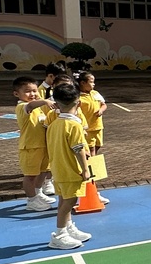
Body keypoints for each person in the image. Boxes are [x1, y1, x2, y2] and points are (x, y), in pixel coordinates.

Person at [46, 82, 93, 250]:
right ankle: (59, 234)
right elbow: (78, 149)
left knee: (63, 199)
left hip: (58, 168)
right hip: (70, 169)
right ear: (78, 103)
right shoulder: (74, 125)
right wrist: (85, 169)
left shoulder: (54, 124)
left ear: (57, 104)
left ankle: (68, 227)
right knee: (70, 201)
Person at [13, 76, 55, 212]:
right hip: (30, 147)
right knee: (30, 175)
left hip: (43, 146)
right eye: (27, 91)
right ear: (17, 94)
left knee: (44, 171)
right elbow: (30, 106)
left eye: (34, 91)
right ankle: (31, 200)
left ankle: (38, 193)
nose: (32, 94)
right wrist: (44, 101)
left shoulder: (39, 108)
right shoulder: (22, 107)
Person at [77, 72, 107, 155]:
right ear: (83, 83)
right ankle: (92, 162)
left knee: (98, 145)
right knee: (91, 149)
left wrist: (101, 110)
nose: (93, 84)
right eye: (91, 82)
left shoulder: (95, 93)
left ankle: (93, 160)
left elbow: (104, 104)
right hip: (88, 128)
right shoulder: (78, 97)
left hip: (98, 126)